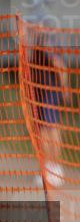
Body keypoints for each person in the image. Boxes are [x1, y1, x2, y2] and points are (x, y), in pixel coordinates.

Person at [28, 32, 70, 189]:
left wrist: (65, 89)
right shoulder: (36, 43)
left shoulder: (46, 42)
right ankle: (48, 167)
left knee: (49, 129)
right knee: (44, 129)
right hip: (41, 92)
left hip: (49, 93)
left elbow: (60, 66)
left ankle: (54, 167)